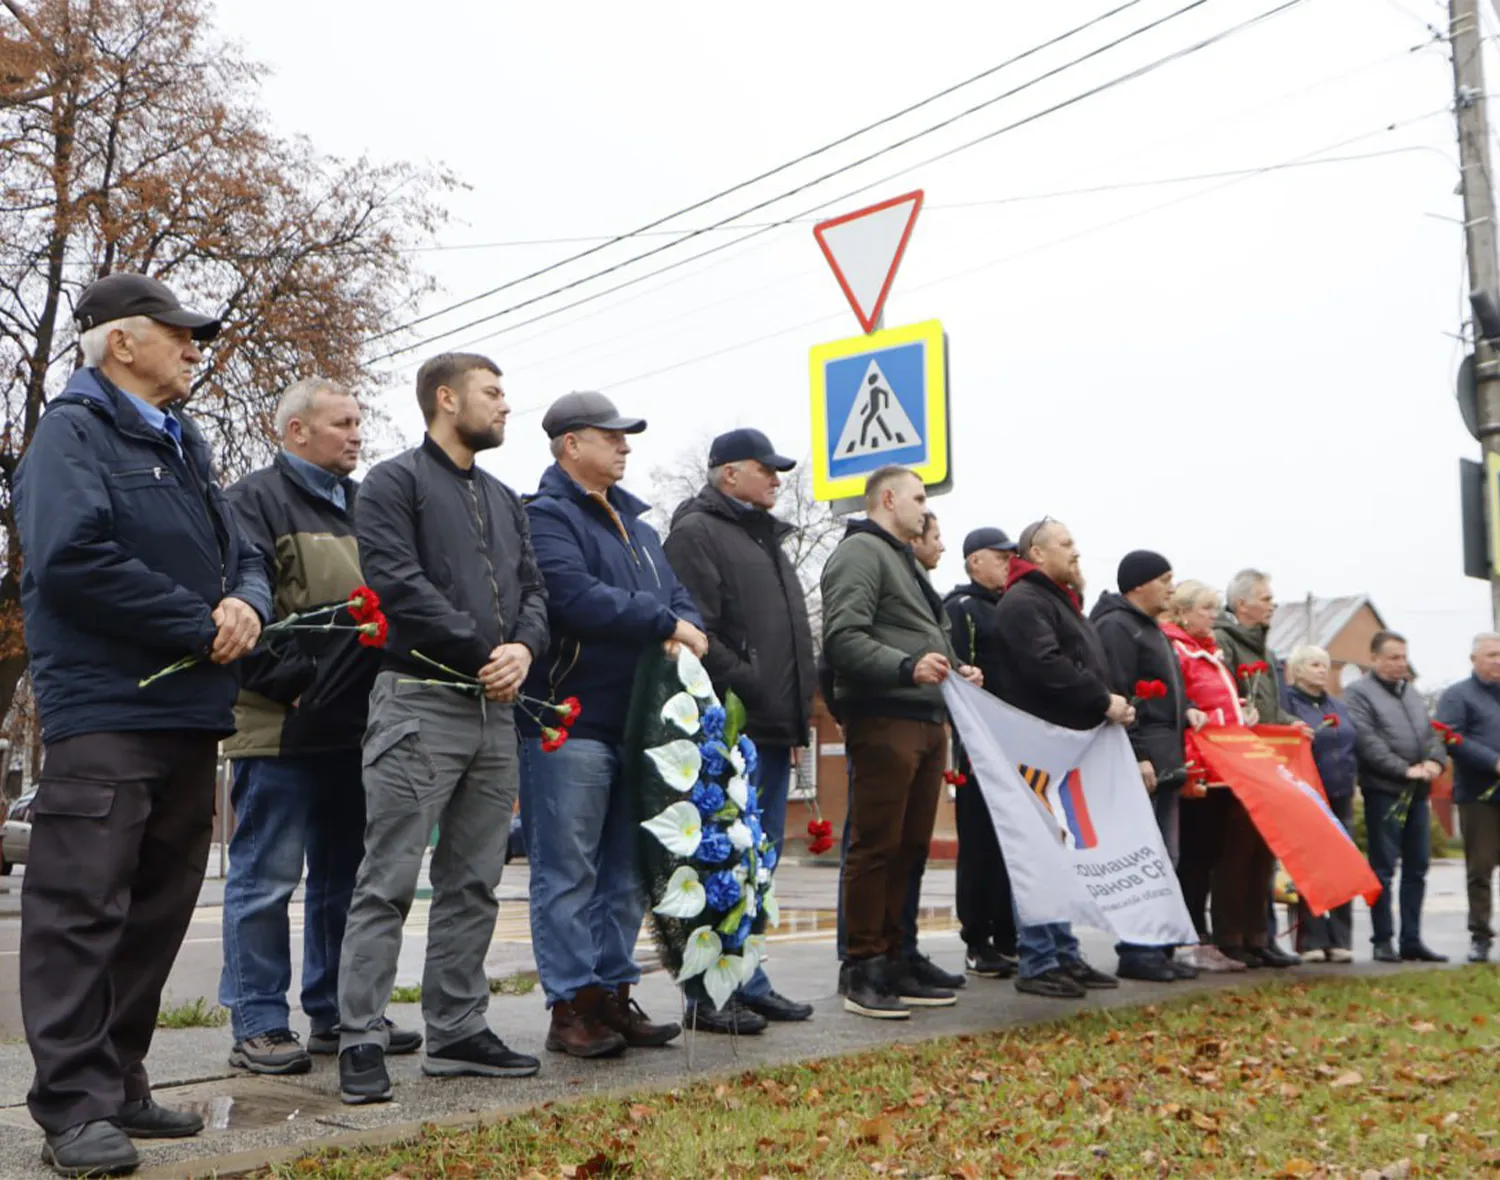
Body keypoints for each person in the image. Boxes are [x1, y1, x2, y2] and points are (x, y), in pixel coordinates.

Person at [14, 273, 271, 1177]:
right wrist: (199, 621)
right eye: (178, 332)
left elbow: (245, 553)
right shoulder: (71, 433)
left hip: (190, 713)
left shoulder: (183, 440)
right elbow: (72, 558)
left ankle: (119, 1079)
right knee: (82, 910)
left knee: (156, 910)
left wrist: (246, 600)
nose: (195, 348)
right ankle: (73, 1106)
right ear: (121, 342)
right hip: (106, 712)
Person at [336, 353, 548, 1105]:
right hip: (420, 702)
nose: (505, 404)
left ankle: (457, 1030)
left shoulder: (504, 499)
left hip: (495, 709)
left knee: (475, 881)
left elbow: (534, 590)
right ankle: (360, 1037)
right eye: (494, 392)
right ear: (447, 399)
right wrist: (487, 649)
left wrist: (524, 650)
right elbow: (397, 584)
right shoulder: (394, 483)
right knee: (389, 877)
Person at [219, 378, 419, 1075]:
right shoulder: (253, 500)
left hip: (357, 727)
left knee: (345, 882)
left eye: (359, 422)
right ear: (295, 431)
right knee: (266, 881)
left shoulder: (368, 506)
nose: (357, 434)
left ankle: (338, 1013)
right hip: (282, 727)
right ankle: (259, 1023)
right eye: (342, 423)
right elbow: (240, 603)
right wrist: (296, 684)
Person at [522, 392, 706, 1054]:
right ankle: (572, 1007)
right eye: (611, 436)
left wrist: (685, 626)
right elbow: (575, 598)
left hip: (641, 726)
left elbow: (680, 599)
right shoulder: (544, 518)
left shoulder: (642, 529)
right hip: (572, 720)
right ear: (571, 444)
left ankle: (612, 996)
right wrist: (665, 623)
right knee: (568, 873)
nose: (625, 446)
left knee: (626, 875)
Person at [662, 428, 816, 1026]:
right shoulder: (697, 533)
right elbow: (696, 630)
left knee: (756, 865)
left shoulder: (765, 538)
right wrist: (749, 684)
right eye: (765, 469)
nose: (777, 479)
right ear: (729, 473)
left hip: (770, 726)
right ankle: (709, 995)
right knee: (719, 862)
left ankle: (748, 978)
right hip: (728, 727)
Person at [822, 467, 980, 1019]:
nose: (924, 507)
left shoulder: (902, 559)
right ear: (887, 499)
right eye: (917, 497)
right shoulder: (861, 553)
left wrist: (957, 668)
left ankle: (898, 955)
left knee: (910, 845)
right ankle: (862, 966)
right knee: (876, 845)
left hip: (923, 716)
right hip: (885, 716)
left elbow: (915, 632)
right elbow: (843, 638)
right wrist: (907, 666)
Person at [992, 519, 1128, 1000]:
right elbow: (1045, 665)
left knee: (1061, 853)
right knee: (1038, 854)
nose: (1076, 551)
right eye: (1066, 543)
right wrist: (1101, 699)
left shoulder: (1056, 601)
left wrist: (1110, 700)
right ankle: (1038, 960)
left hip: (1063, 745)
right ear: (1037, 552)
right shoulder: (1024, 602)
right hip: (1036, 745)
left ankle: (1063, 954)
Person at [1090, 551, 1205, 983]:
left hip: (1165, 756)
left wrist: (1187, 707)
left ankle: (1159, 945)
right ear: (1138, 584)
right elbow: (1119, 694)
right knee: (1144, 858)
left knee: (1165, 857)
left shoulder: (1150, 628)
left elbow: (1165, 687)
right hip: (1142, 759)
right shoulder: (1117, 627)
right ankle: (1137, 950)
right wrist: (1136, 753)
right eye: (1164, 579)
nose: (1171, 588)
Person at [942, 527, 1021, 979]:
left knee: (1012, 843)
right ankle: (977, 938)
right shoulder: (962, 608)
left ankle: (1009, 933)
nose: (1009, 564)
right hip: (979, 745)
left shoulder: (1009, 607)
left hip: (1015, 743)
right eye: (1000, 557)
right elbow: (959, 671)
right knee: (979, 844)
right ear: (975, 561)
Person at [1213, 570, 1301, 968]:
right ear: (1242, 604)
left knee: (1262, 854)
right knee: (1236, 854)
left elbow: (1270, 707)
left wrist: (1290, 723)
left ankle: (1258, 937)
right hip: (1238, 764)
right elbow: (1226, 700)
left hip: (1266, 762)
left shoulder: (1265, 649)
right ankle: (1230, 938)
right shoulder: (1224, 642)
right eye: (1265, 598)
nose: (1272, 605)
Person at [1346, 631, 1448, 964]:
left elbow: (1432, 734)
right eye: (1393, 657)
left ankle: (1412, 939)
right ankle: (1383, 939)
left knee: (1417, 867)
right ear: (1374, 658)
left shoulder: (1412, 693)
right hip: (1384, 791)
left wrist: (1435, 762)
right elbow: (1367, 741)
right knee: (1383, 869)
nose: (1400, 663)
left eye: (1403, 657)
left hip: (1418, 793)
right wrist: (1404, 770)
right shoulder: (1359, 694)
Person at [1281, 645, 1358, 963]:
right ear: (1297, 670)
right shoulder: (1288, 704)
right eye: (1314, 664)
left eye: (1325, 665)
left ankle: (1340, 938)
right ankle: (1310, 938)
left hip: (1340, 794)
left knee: (1341, 864)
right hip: (1306, 794)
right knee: (1309, 866)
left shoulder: (1337, 706)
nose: (1323, 670)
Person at [1434, 632, 1500, 963]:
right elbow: (1450, 738)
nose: (1498, 661)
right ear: (1473, 660)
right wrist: (1492, 761)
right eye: (1491, 655)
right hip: (1479, 795)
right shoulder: (1458, 696)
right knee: (1480, 867)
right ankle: (1480, 935)